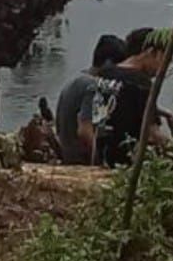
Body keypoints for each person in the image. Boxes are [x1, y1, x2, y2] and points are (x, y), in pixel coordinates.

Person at [95, 28, 171, 167]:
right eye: (165, 58)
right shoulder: (141, 82)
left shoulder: (105, 73)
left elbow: (119, 105)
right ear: (150, 52)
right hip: (125, 159)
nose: (165, 66)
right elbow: (152, 133)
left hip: (100, 154)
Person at [55, 35, 128, 164]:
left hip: (66, 151)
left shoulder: (78, 80)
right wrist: (98, 162)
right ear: (108, 63)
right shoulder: (94, 87)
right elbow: (84, 131)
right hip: (79, 159)